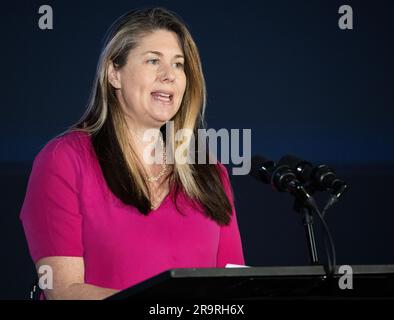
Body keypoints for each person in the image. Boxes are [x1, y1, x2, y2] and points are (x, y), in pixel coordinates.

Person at [20, 7, 244, 300]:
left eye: (178, 65)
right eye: (153, 61)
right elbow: (64, 291)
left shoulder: (209, 172)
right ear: (114, 73)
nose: (169, 76)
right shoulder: (63, 160)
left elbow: (234, 286)